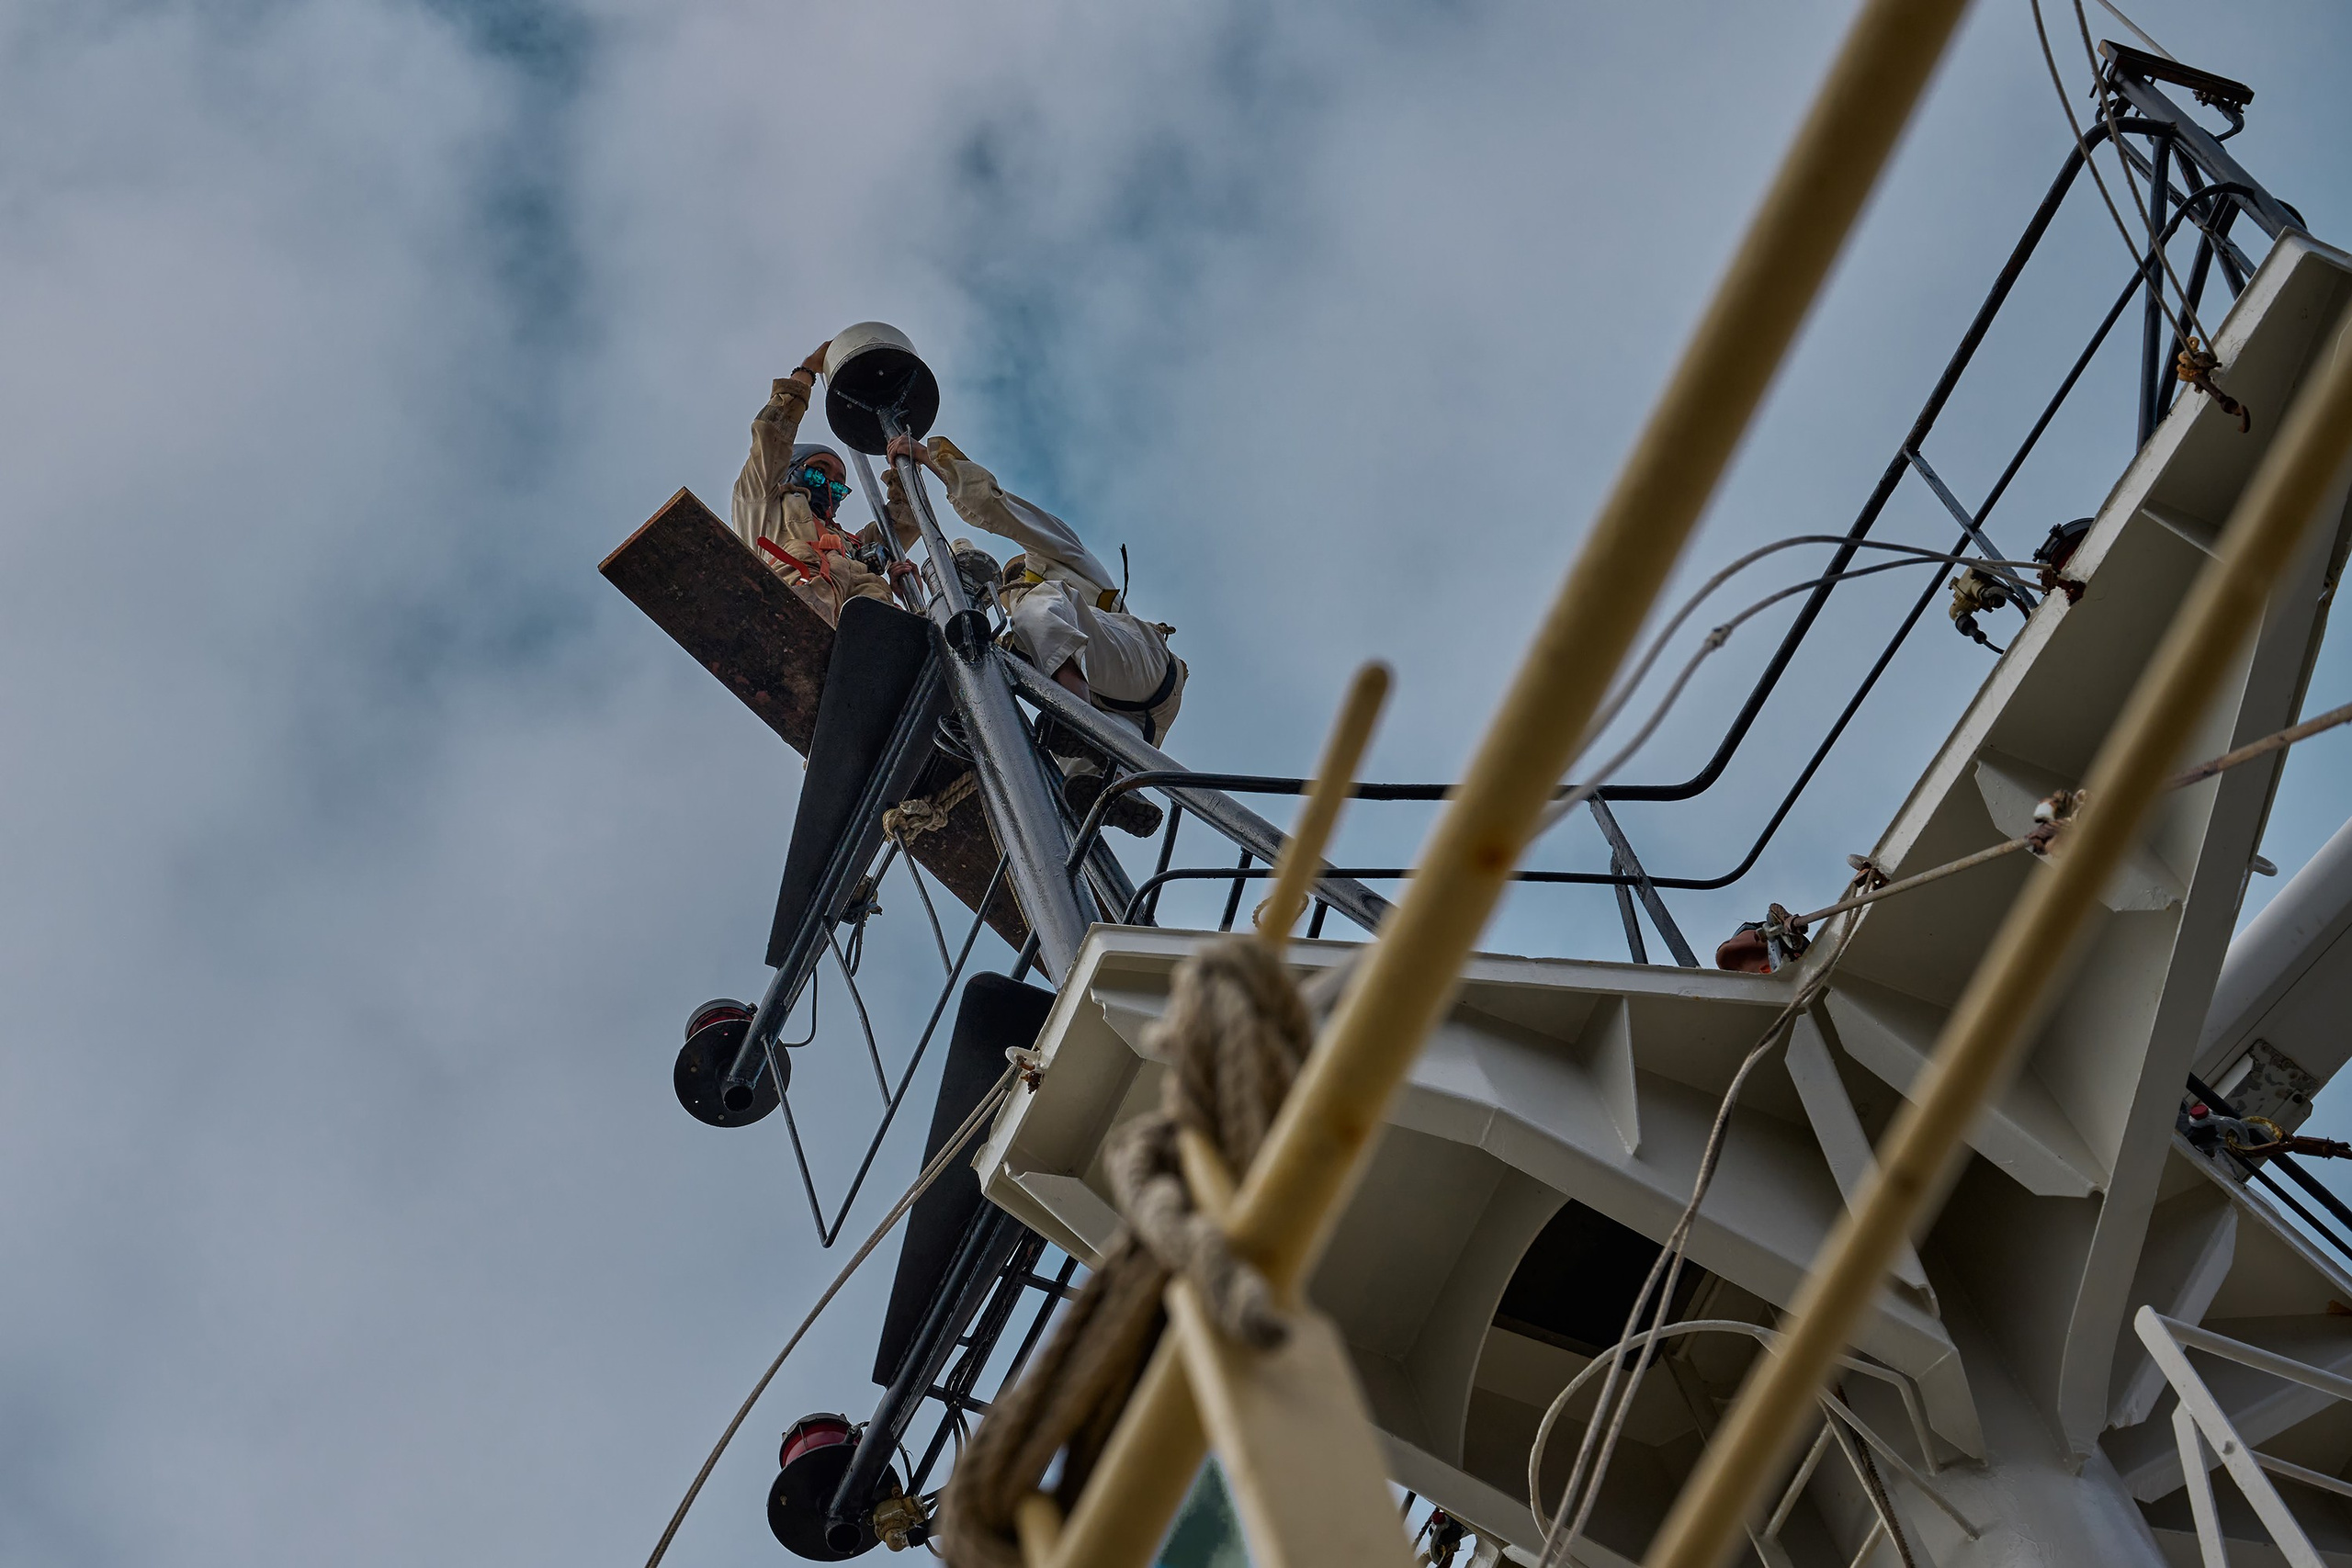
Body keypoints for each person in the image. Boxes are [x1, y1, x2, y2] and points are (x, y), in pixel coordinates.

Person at [885, 432, 1184, 835]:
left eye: (1014, 577)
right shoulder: (1028, 630)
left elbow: (999, 507)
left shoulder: (1059, 559)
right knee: (1076, 774)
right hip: (1133, 715)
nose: (1012, 589)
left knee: (1040, 607)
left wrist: (932, 460)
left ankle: (1075, 715)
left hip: (1139, 660)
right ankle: (1116, 788)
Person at [731, 342, 918, 625]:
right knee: (808, 563)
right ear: (791, 470)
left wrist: (902, 461)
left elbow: (909, 518)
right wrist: (805, 373)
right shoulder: (763, 503)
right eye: (819, 472)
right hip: (798, 599)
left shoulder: (855, 543)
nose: (829, 484)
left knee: (874, 593)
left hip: (861, 624)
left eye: (839, 485)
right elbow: (771, 436)